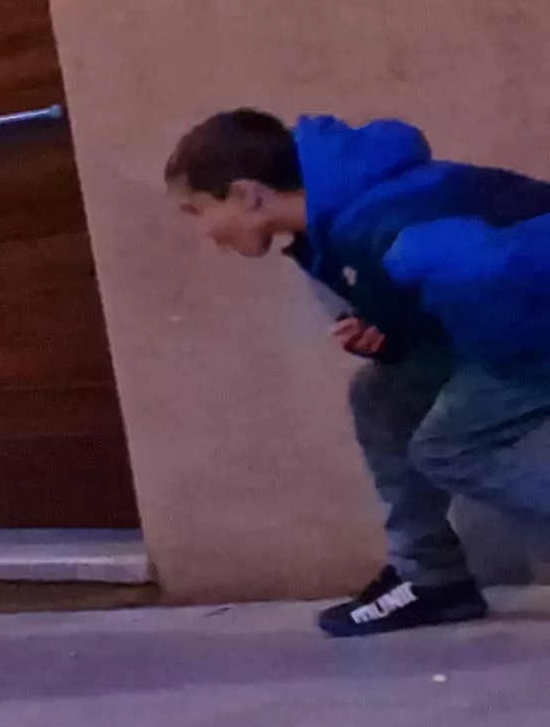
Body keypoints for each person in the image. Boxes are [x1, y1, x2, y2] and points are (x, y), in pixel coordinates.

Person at [167, 108, 550, 633]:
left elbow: (483, 272)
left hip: (531, 330)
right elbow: (443, 293)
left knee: (450, 445)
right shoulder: (330, 224)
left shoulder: (376, 219)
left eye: (197, 211)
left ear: (247, 195)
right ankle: (431, 579)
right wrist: (394, 335)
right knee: (382, 395)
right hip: (519, 316)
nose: (207, 234)